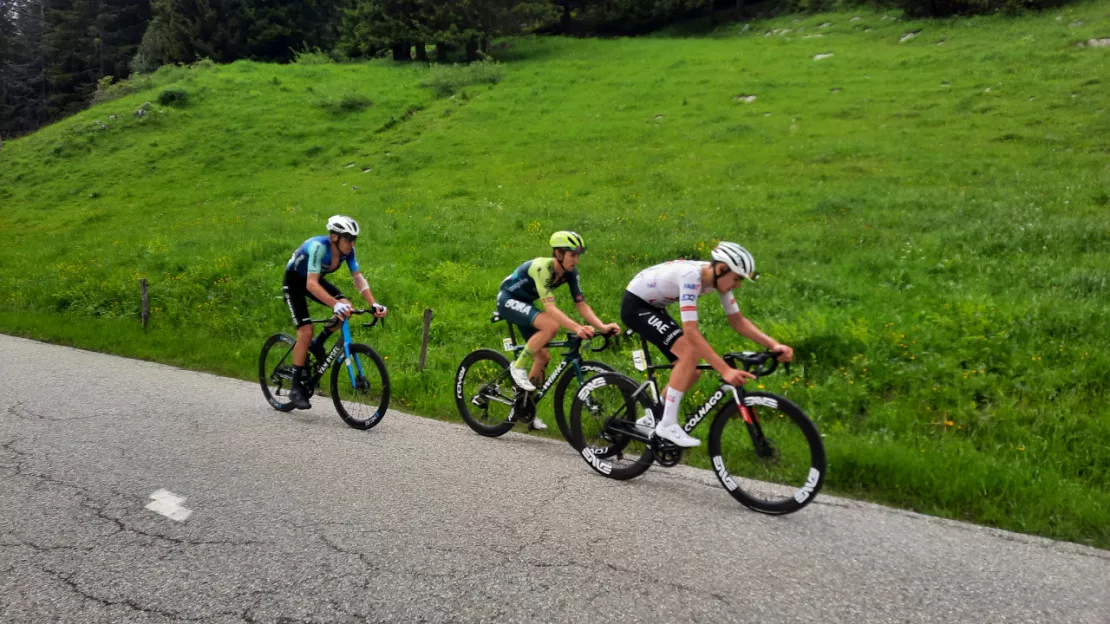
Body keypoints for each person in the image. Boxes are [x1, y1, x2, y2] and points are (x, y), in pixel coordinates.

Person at [621, 242, 793, 447]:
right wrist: (724, 370)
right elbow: (691, 332)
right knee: (690, 352)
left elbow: (738, 321)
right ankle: (667, 424)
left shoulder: (717, 278)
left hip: (654, 306)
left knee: (691, 372)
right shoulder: (691, 277)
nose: (738, 285)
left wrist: (773, 345)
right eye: (737, 278)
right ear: (722, 269)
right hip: (636, 306)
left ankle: (653, 417)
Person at [497, 231, 620, 430]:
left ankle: (525, 408)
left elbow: (581, 304)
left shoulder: (571, 273)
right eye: (572, 254)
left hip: (525, 303)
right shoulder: (542, 268)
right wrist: (577, 328)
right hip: (508, 299)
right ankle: (518, 366)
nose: (576, 260)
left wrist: (603, 326)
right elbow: (550, 309)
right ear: (558, 254)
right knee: (550, 325)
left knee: (543, 358)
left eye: (578, 255)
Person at [282, 215, 387, 410]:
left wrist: (373, 304)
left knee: (346, 306)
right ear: (334, 237)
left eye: (354, 239)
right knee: (305, 331)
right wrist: (333, 303)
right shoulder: (318, 247)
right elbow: (310, 284)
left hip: (314, 280)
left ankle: (318, 345)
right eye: (348, 238)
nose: (352, 243)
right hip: (295, 282)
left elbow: (358, 278)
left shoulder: (348, 252)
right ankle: (295, 387)